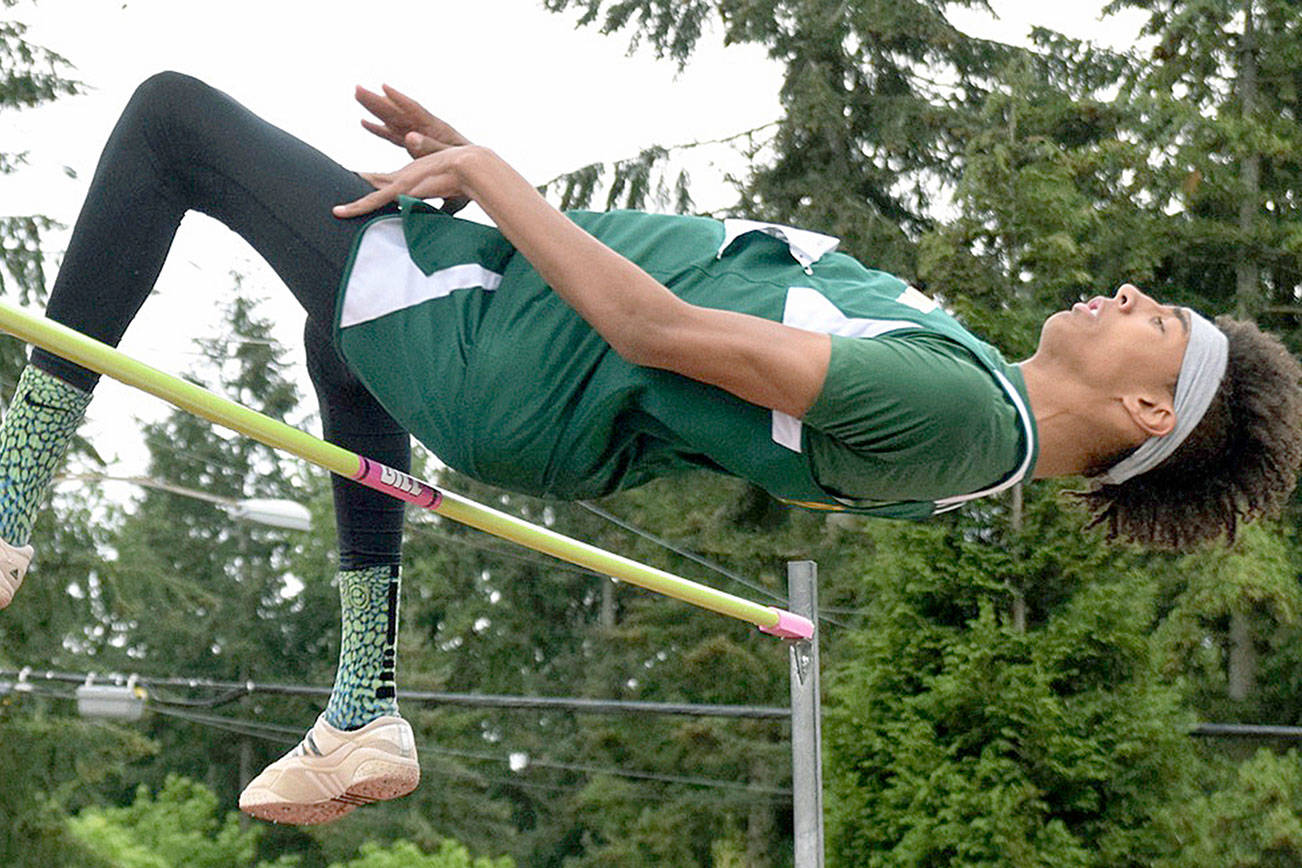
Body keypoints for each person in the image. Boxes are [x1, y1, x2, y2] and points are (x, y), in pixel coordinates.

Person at [0, 72, 1298, 825]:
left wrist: (497, 178)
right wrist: (499, 203)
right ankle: (361, 711)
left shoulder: (956, 414)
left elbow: (655, 326)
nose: (1129, 292)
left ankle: (9, 498)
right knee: (341, 345)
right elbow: (666, 327)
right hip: (509, 339)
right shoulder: (967, 385)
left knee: (171, 122)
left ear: (1144, 416)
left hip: (503, 357)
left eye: (1157, 321)